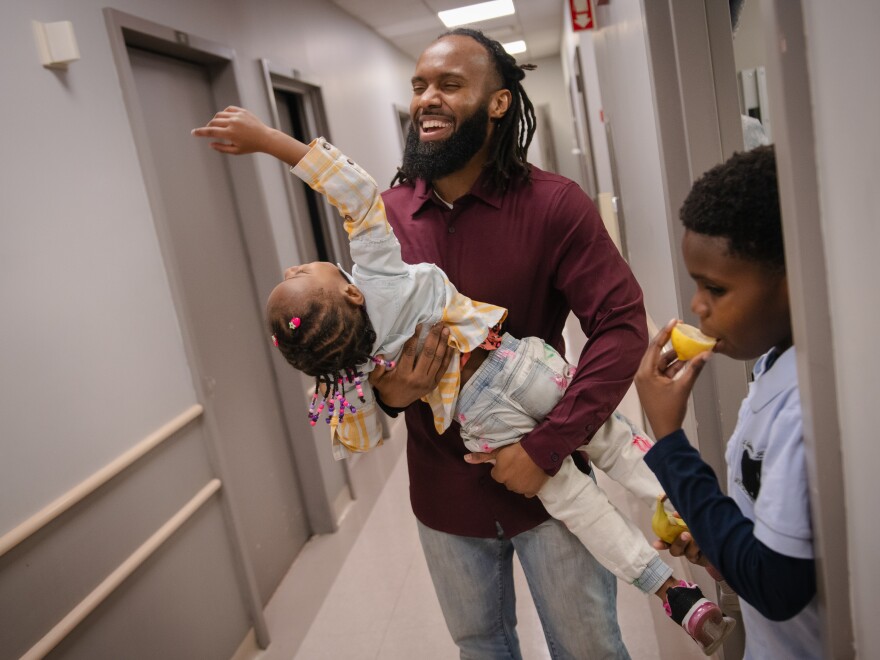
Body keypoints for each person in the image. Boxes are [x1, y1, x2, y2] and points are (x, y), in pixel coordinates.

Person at [192, 105, 735, 655]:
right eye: (299, 276)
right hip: (514, 366)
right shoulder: (377, 270)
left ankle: (672, 591)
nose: (291, 268)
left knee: (577, 508)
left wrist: (312, 355)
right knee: (619, 443)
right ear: (352, 293)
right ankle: (702, 522)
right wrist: (267, 140)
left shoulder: (347, 356)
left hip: (484, 426)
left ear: (499, 103)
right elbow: (351, 191)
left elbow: (355, 428)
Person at [359, 27, 642, 659]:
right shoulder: (386, 218)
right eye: (420, 86)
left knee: (588, 647)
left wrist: (546, 446)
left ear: (498, 103)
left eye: (450, 85)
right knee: (481, 647)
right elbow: (364, 345)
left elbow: (621, 325)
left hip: (548, 490)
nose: (427, 98)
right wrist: (388, 390)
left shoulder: (553, 205)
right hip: (443, 495)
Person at [635, 145, 821, 658]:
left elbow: (778, 587)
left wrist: (671, 441)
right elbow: (767, 543)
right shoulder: (770, 364)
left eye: (715, 288)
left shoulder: (807, 408)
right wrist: (717, 545)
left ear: (793, 281)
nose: (697, 305)